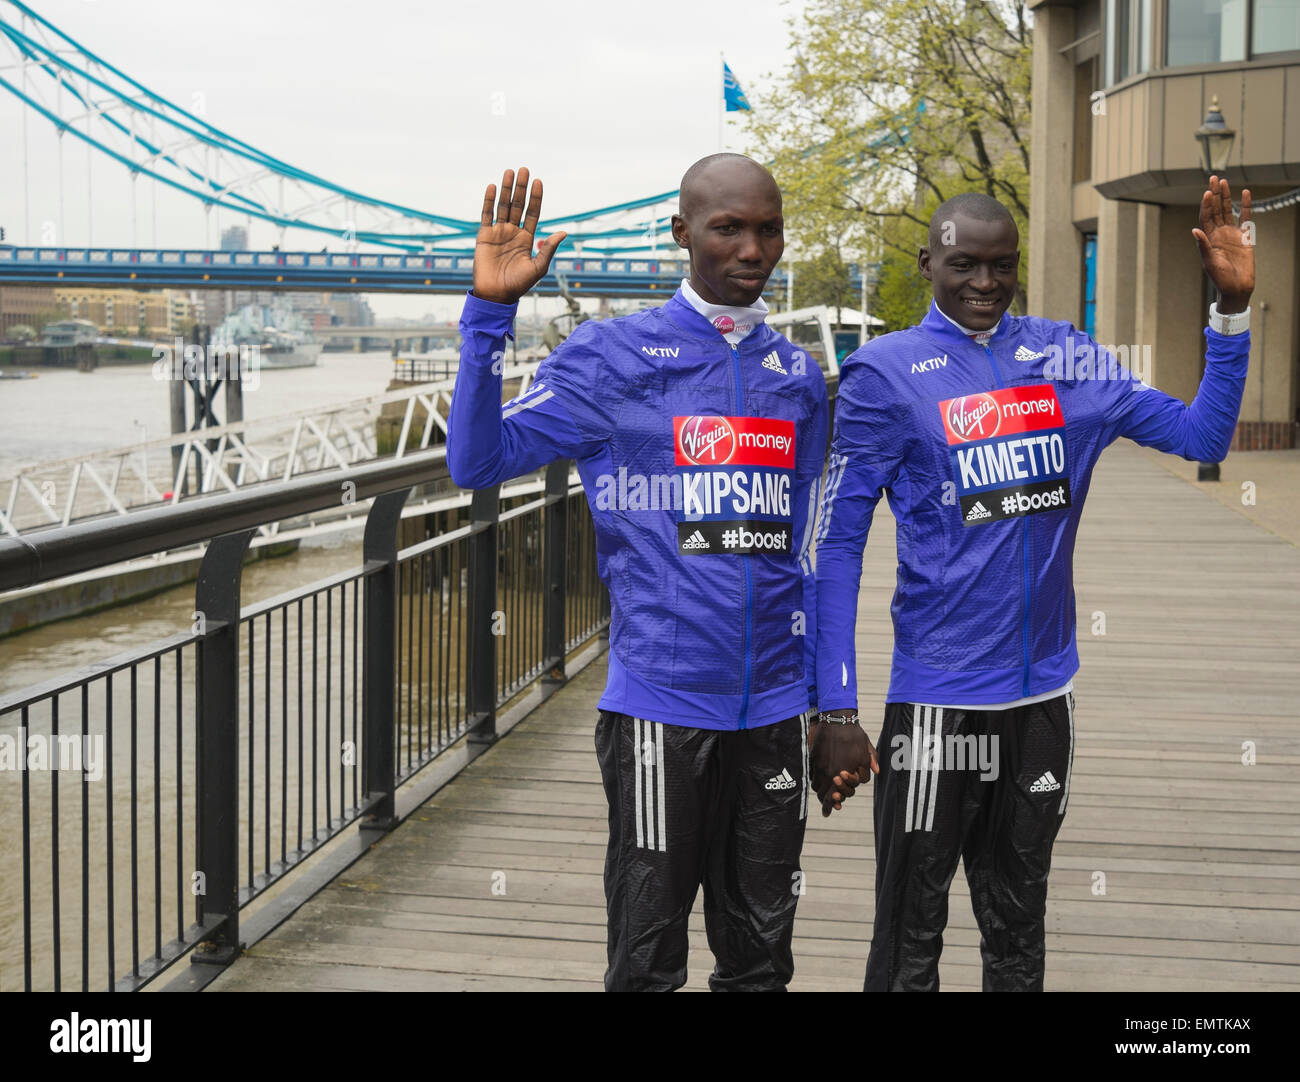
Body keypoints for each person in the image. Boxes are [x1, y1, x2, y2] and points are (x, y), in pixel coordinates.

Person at [809, 177, 1254, 992]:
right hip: (937, 705)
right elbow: (834, 549)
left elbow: (1202, 436)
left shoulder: (1067, 355)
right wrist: (834, 709)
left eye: (1002, 267)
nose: (984, 284)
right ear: (928, 262)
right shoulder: (885, 374)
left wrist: (1228, 312)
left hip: (1043, 702)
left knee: (1018, 928)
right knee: (910, 935)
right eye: (964, 265)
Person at [446, 156, 830, 991]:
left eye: (768, 228)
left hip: (771, 712)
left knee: (761, 960)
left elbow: (804, 555)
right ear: (682, 233)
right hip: (660, 711)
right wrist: (490, 313)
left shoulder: (798, 377)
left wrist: (825, 703)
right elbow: (477, 463)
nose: (752, 248)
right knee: (649, 964)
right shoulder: (611, 358)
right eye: (729, 227)